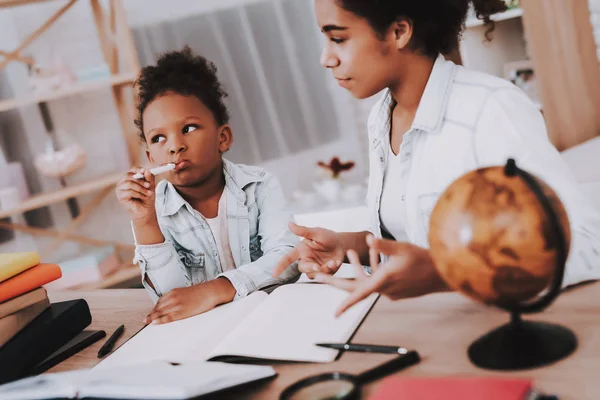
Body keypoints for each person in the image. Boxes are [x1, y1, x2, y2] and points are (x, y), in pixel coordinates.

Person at [273, 0, 600, 316]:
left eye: (338, 38)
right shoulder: (381, 118)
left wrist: (446, 273)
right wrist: (347, 246)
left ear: (399, 31)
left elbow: (587, 243)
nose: (325, 58)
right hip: (424, 325)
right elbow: (407, 240)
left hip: (492, 324)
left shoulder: (490, 108)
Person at [116, 47, 299, 324]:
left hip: (274, 319)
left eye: (188, 128)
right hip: (205, 332)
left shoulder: (260, 186)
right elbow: (169, 300)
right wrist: (144, 222)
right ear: (151, 159)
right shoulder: (154, 212)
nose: (175, 146)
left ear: (222, 138)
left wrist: (218, 288)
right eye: (158, 138)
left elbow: (288, 258)